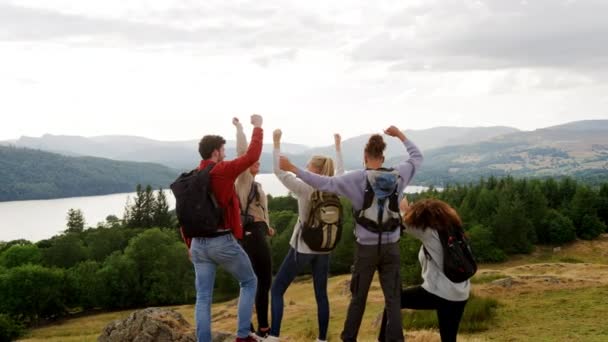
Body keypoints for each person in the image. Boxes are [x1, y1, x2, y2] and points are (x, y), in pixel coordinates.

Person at [279, 126, 423, 342]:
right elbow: (417, 156)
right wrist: (400, 135)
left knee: (358, 298)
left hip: (366, 250)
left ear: (365, 157)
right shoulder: (399, 174)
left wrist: (293, 168)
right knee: (393, 299)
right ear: (382, 157)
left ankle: (349, 339)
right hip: (392, 248)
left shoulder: (356, 178)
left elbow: (323, 182)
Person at [183, 114, 264, 342]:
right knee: (249, 281)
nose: (225, 154)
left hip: (197, 244)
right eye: (223, 150)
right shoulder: (222, 170)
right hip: (222, 241)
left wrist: (189, 244)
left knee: (203, 297)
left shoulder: (192, 177)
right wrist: (257, 127)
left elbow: (185, 215)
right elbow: (252, 156)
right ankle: (242, 336)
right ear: (216, 152)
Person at [264, 129, 344, 342]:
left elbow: (278, 171)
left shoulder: (304, 187)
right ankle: (322, 339)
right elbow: (342, 170)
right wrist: (338, 148)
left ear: (315, 169)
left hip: (303, 247)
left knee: (278, 289)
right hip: (325, 248)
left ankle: (273, 336)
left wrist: (276, 143)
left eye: (309, 165)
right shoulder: (334, 186)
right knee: (321, 295)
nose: (306, 167)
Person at [378, 198, 470, 342]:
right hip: (461, 294)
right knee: (449, 338)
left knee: (395, 300)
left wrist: (404, 209)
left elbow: (402, 223)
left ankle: (383, 339)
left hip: (440, 293)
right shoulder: (455, 230)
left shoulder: (430, 232)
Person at [233, 117, 275, 339]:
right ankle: (260, 329)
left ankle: (252, 327)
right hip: (251, 236)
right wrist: (242, 129)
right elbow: (243, 152)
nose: (256, 164)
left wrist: (267, 226)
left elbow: (260, 212)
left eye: (259, 162)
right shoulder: (244, 179)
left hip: (254, 234)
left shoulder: (255, 184)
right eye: (254, 162)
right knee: (261, 281)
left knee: (253, 281)